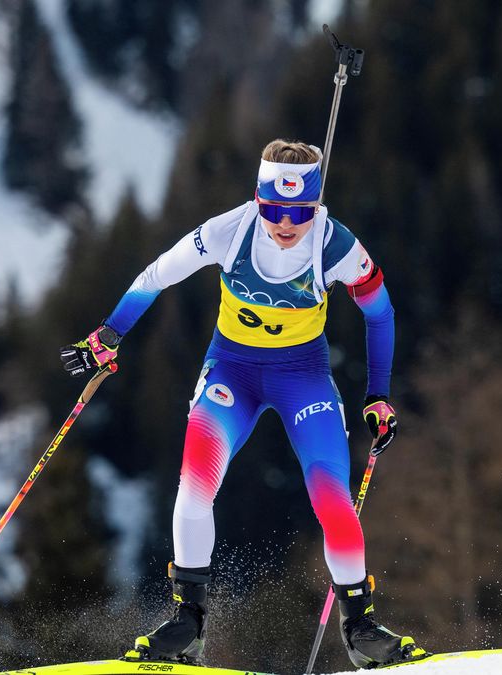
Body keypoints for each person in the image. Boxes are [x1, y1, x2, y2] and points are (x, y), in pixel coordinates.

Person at [60, 140, 424, 668]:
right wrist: (108, 334)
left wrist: (378, 395)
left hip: (304, 379)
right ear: (258, 199)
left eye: (299, 212)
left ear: (316, 205)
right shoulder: (229, 231)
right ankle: (188, 621)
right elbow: (157, 274)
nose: (284, 223)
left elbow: (380, 312)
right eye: (274, 209)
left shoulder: (337, 245)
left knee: (332, 500)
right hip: (232, 373)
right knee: (194, 487)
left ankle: (360, 626)